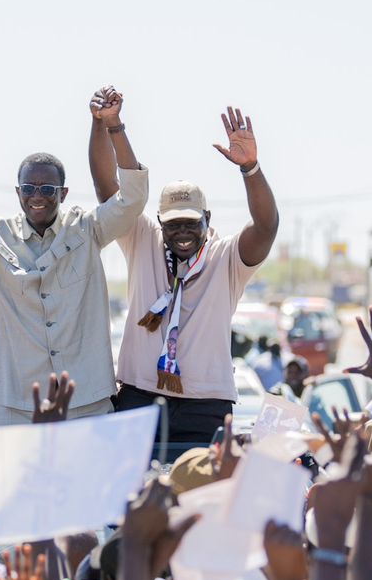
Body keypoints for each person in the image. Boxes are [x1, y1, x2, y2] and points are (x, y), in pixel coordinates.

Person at [0, 111, 148, 426]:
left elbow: (132, 199)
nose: (38, 196)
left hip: (84, 401)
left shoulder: (87, 229)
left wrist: (114, 126)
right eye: (29, 188)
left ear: (62, 193)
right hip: (12, 404)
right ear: (18, 192)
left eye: (48, 189)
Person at [101, 96, 278, 444]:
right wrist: (110, 126)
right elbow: (109, 191)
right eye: (173, 225)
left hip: (206, 403)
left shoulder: (226, 258)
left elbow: (266, 226)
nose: (182, 233)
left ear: (207, 220)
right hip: (141, 395)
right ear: (159, 224)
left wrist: (251, 169)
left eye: (190, 224)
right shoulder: (143, 240)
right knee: (135, 493)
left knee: (203, 491)